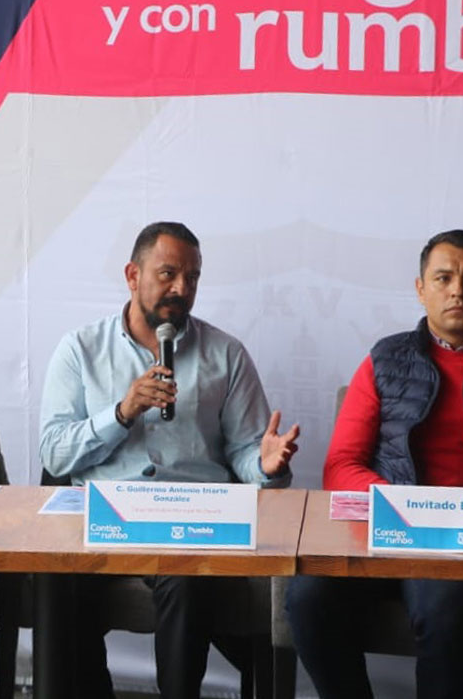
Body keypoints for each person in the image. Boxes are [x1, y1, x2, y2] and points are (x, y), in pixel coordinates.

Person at [285, 228, 463, 699]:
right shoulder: (383, 360)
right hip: (381, 533)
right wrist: (401, 505)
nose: (459, 289)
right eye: (444, 278)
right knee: (307, 596)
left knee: (447, 603)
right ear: (421, 288)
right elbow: (341, 465)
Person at [39, 221, 299, 699]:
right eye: (168, 274)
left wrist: (265, 467)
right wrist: (121, 413)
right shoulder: (80, 350)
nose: (182, 289)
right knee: (58, 578)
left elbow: (245, 452)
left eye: (193, 278)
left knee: (186, 577)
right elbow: (54, 451)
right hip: (102, 520)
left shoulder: (227, 354)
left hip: (190, 521)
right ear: (132, 275)